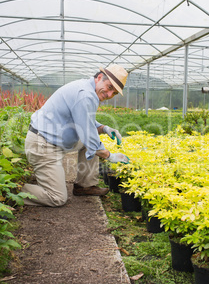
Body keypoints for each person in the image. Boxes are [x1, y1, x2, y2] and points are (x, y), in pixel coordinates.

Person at [21, 64, 129, 207]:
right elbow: (88, 135)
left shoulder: (87, 89)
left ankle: (85, 186)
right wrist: (110, 156)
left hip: (52, 141)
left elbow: (84, 121)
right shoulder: (85, 94)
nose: (109, 95)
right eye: (110, 87)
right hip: (43, 146)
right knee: (57, 197)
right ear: (99, 78)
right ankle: (12, 191)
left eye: (114, 93)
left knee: (88, 144)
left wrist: (104, 128)